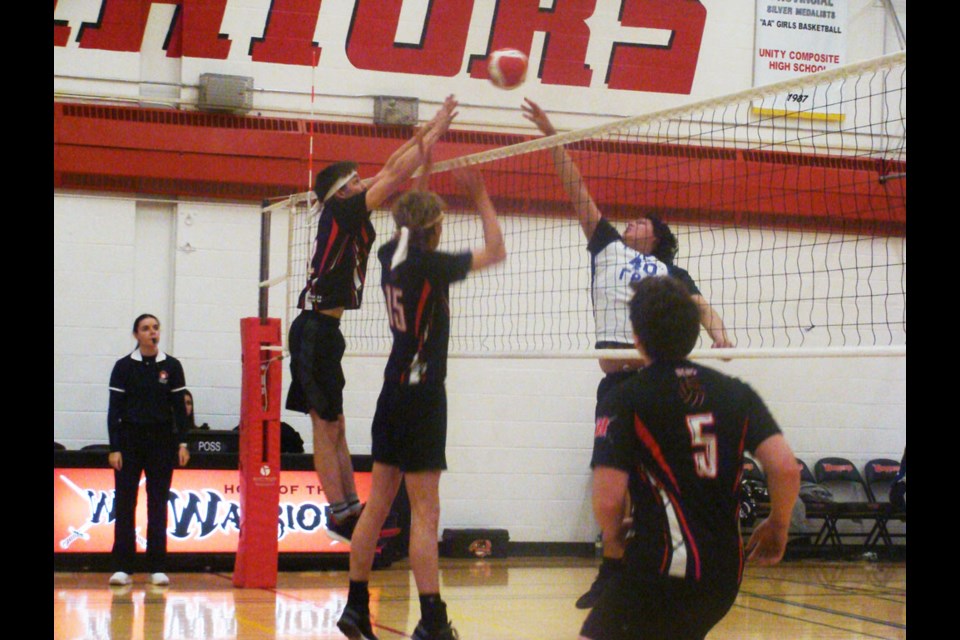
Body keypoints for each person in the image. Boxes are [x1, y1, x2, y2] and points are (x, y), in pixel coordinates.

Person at [521, 98, 733, 608]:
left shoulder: (670, 275)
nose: (630, 224)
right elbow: (577, 192)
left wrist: (723, 337)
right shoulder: (607, 247)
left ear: (657, 238)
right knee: (609, 488)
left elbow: (703, 308)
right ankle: (612, 569)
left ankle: (655, 571)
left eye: (640, 222)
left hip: (658, 383)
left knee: (656, 486)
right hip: (617, 385)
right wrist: (552, 134)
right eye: (630, 220)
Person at [336, 168, 506, 640]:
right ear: (434, 227)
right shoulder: (431, 266)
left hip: (392, 391)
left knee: (379, 504)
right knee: (425, 512)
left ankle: (355, 606)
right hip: (423, 394)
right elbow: (497, 250)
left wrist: (429, 156)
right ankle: (432, 622)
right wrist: (481, 196)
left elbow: (415, 215)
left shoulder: (391, 253)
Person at [580, 276, 799, 640]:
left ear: (636, 337)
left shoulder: (624, 399)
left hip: (661, 567)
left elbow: (607, 499)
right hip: (724, 576)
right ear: (693, 332)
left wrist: (614, 541)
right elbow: (785, 467)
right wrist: (778, 524)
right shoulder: (736, 393)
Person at [286, 96, 459, 543]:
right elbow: (396, 174)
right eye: (355, 181)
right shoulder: (342, 212)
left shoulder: (347, 210)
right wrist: (434, 133)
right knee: (324, 426)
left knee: (336, 424)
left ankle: (349, 507)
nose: (365, 183)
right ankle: (339, 510)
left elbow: (389, 167)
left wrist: (431, 129)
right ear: (341, 191)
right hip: (312, 330)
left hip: (326, 331)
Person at [106, 314, 191, 587]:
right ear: (136, 335)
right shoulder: (123, 367)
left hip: (161, 442)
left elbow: (180, 409)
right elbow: (114, 410)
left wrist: (183, 443)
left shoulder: (172, 365)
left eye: (155, 327)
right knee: (125, 502)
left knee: (157, 503)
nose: (152, 332)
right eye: (145, 328)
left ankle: (157, 566)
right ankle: (123, 567)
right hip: (130, 441)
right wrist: (115, 446)